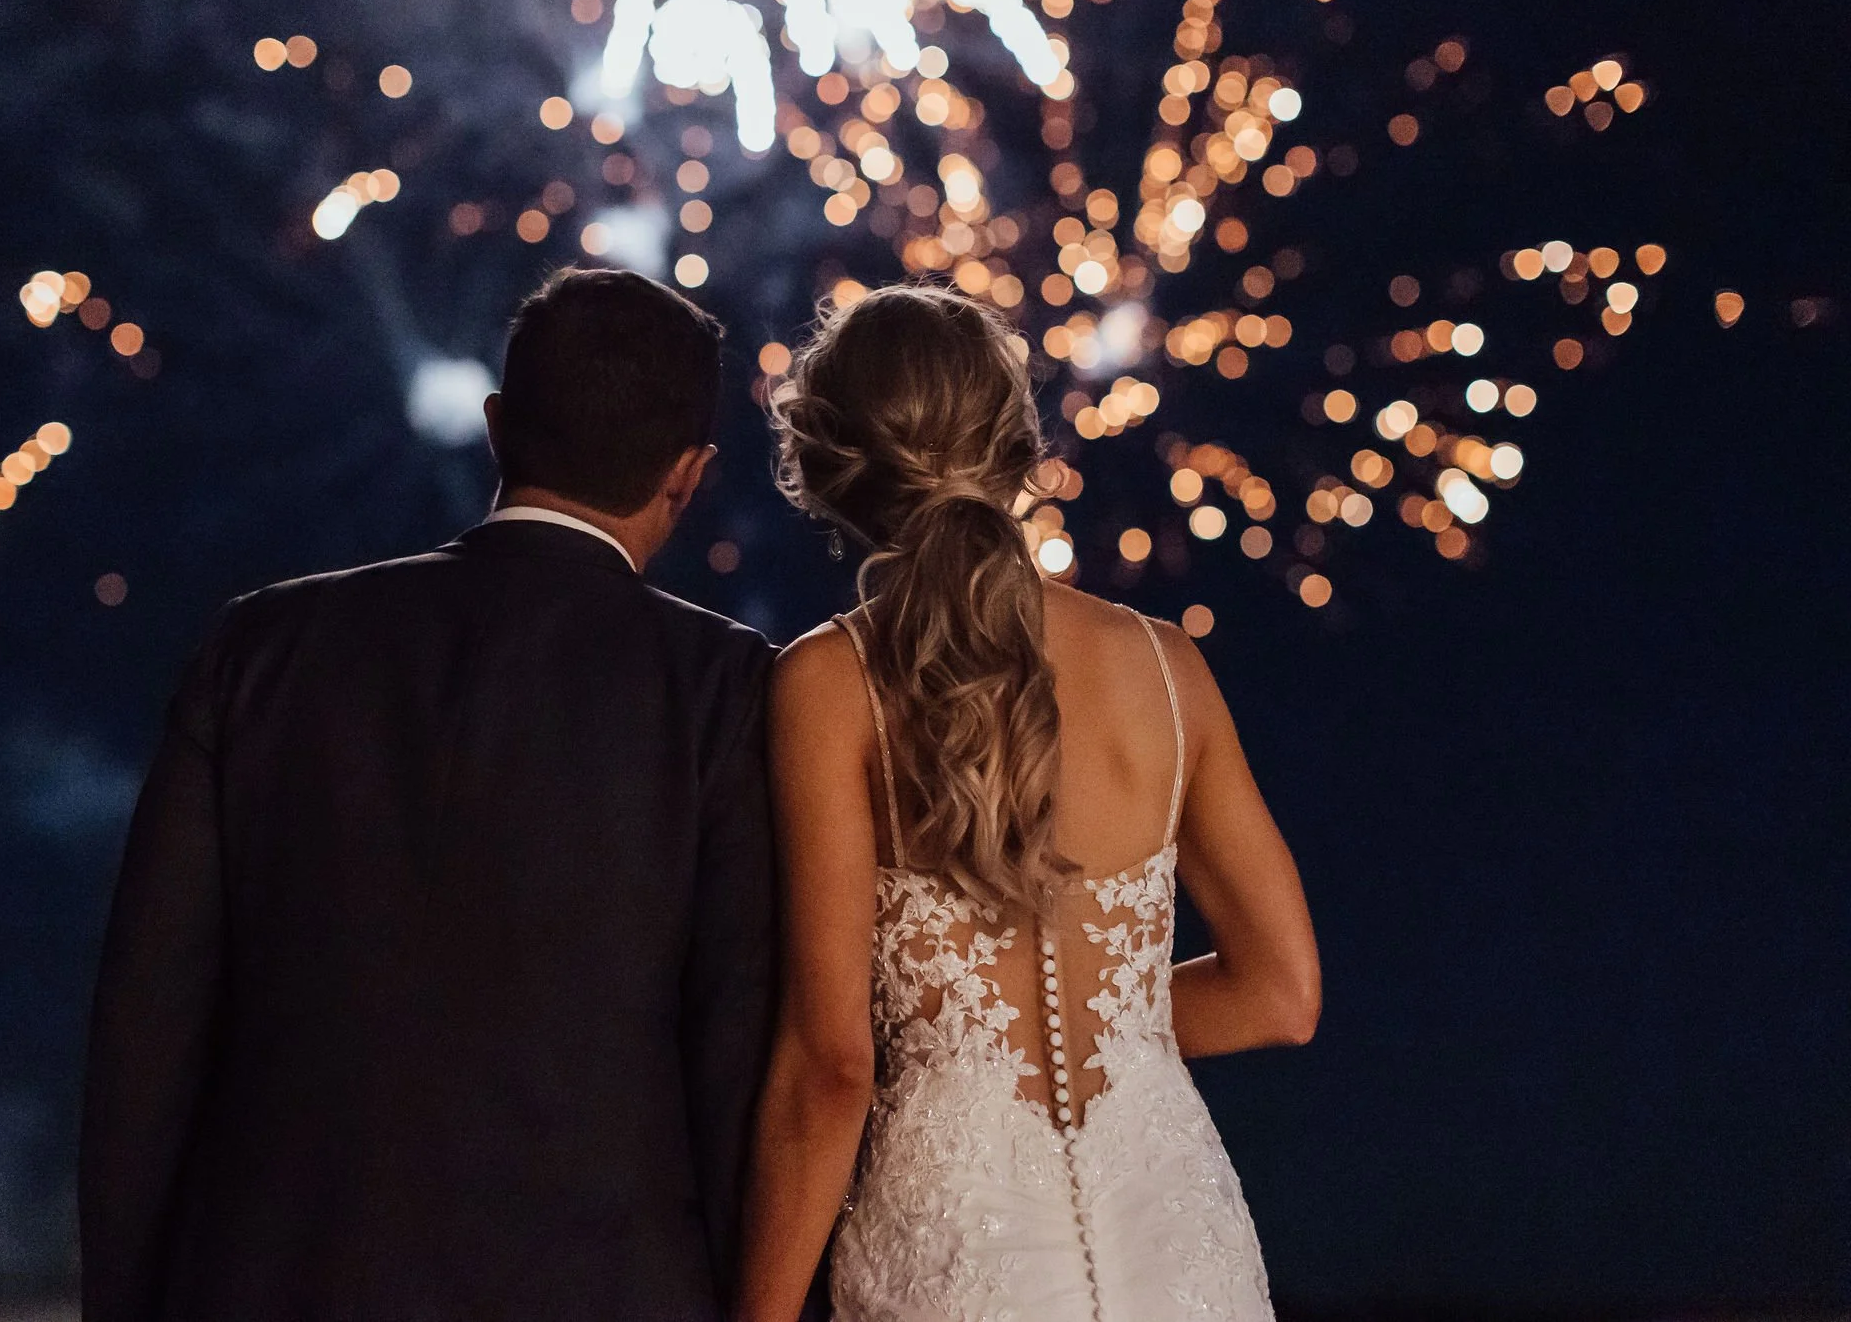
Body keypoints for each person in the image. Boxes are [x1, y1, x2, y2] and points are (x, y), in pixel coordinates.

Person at [80, 267, 778, 1322]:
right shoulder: (721, 687)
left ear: (495, 428)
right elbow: (736, 1068)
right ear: (689, 474)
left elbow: (145, 1031)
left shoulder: (261, 647)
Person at [738, 285, 1321, 1322]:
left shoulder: (829, 686)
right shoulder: (1165, 669)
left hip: (960, 1260)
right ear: (1016, 446)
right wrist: (1112, 1032)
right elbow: (1281, 995)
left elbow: (830, 1065)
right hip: (1181, 1252)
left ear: (833, 468)